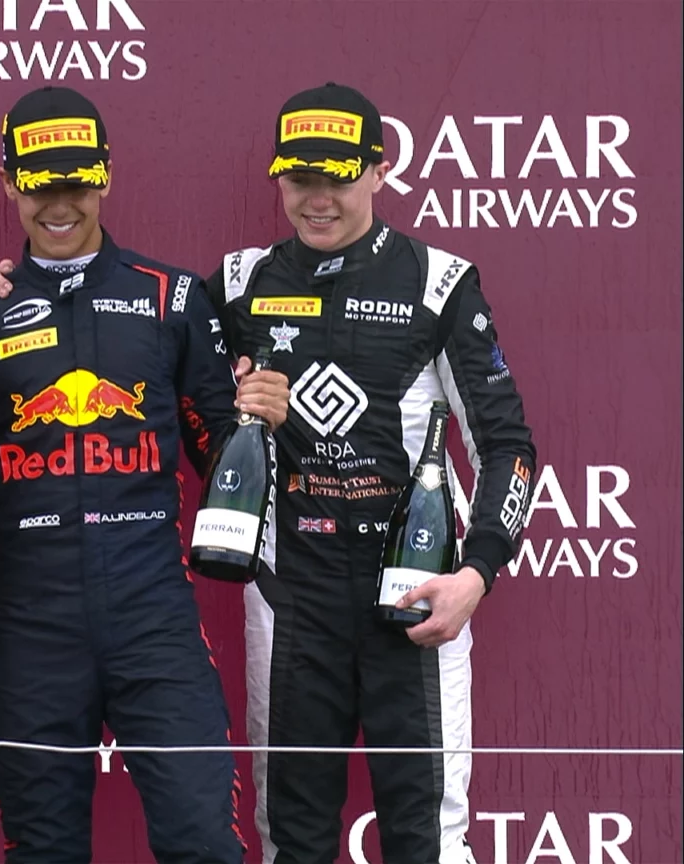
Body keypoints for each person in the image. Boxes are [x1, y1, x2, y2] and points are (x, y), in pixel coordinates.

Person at [0, 85, 290, 863]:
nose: (58, 204)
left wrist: (260, 419)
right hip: (33, 626)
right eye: (39, 186)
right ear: (10, 185)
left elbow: (220, 453)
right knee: (44, 850)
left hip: (153, 615)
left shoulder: (173, 297)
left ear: (105, 177)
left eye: (75, 183)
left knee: (205, 842)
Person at [210, 83, 536, 864]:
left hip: (415, 593)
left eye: (339, 177)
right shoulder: (238, 283)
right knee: (292, 838)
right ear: (278, 178)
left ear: (379, 171)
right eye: (299, 179)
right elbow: (189, 421)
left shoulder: (440, 281)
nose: (317, 199)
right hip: (292, 596)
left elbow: (510, 447)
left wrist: (477, 574)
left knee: (428, 838)